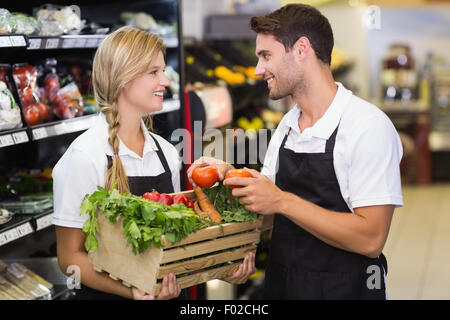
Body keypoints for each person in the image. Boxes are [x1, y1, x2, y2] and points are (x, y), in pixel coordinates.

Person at [188, 4, 403, 300]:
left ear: (301, 49)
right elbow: (269, 213)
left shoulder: (367, 127)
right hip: (284, 286)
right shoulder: (289, 125)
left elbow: (370, 239)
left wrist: (281, 200)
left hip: (346, 291)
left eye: (266, 56)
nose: (257, 70)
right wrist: (231, 181)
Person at [52, 26, 255, 300]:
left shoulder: (165, 152)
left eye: (162, 71)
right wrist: (131, 291)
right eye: (153, 72)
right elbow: (69, 259)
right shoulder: (84, 157)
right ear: (124, 77)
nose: (165, 81)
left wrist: (222, 267)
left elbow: (171, 245)